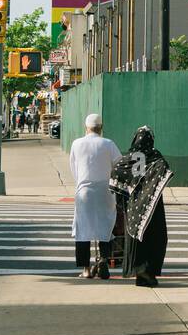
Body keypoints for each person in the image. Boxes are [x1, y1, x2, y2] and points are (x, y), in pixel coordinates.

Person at [112, 126, 171, 286]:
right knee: (155, 238)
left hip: (134, 207)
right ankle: (148, 273)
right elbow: (165, 169)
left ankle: (139, 272)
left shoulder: (131, 157)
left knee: (138, 238)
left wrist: (126, 189)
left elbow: (116, 170)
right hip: (153, 207)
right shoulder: (155, 157)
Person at [69, 114, 122, 278]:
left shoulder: (77, 144)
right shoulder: (108, 144)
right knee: (105, 227)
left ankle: (85, 269)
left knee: (82, 230)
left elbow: (74, 168)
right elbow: (119, 164)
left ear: (86, 127)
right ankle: (104, 260)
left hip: (84, 191)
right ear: (101, 128)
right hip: (105, 191)